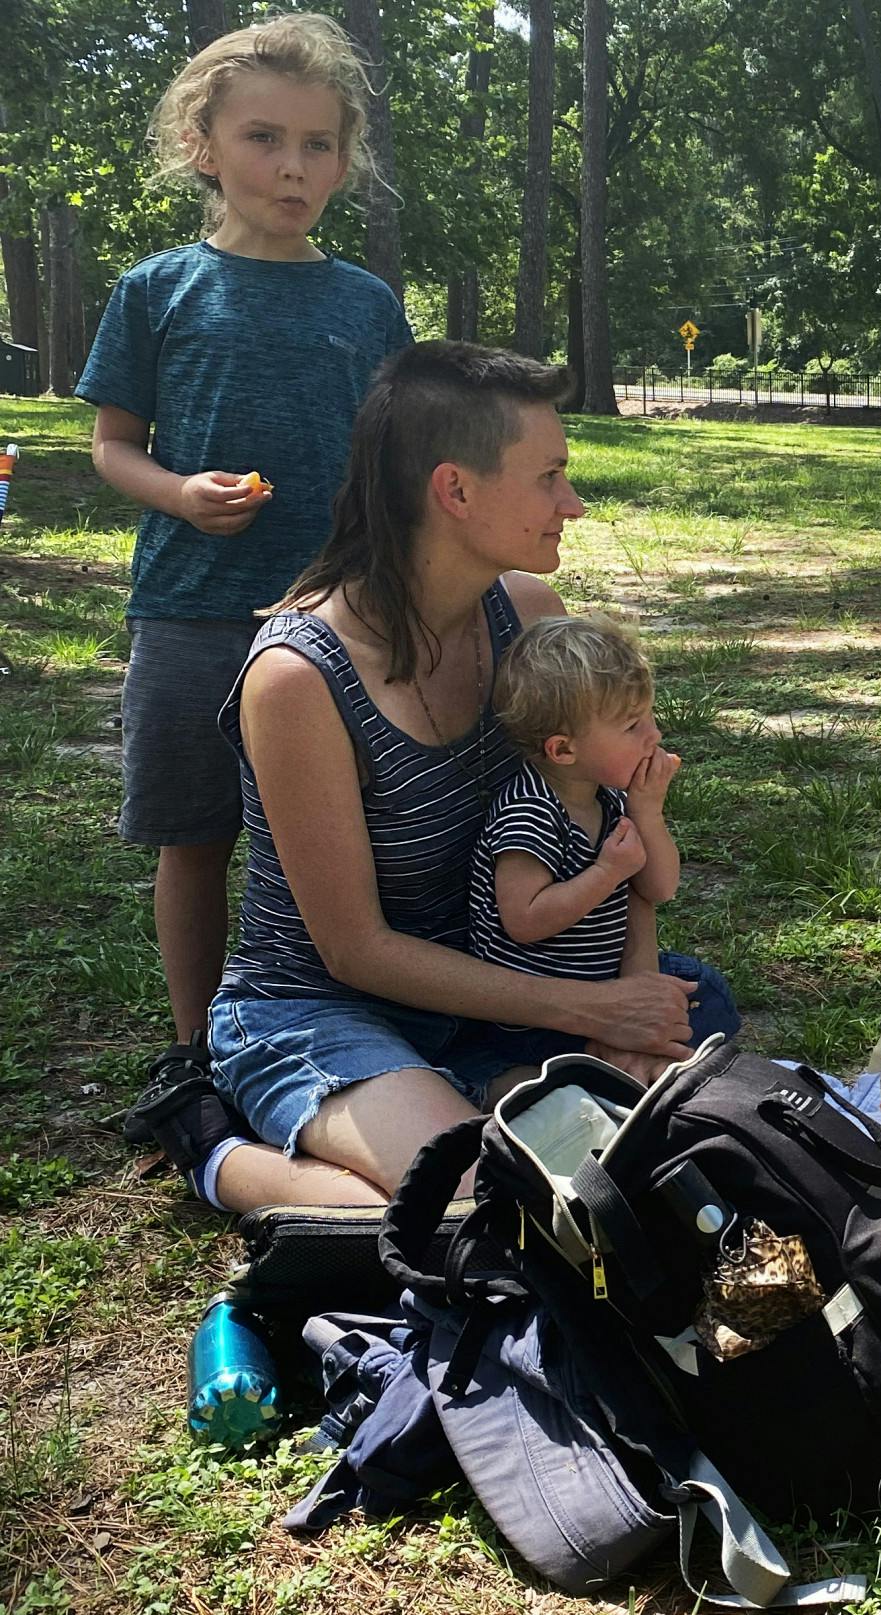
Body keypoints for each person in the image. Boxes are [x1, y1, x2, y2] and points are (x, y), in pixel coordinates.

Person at [186, 341, 721, 1212]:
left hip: (485, 988)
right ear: (455, 489)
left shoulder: (530, 617)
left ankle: (454, 1098)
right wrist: (588, 1011)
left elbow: (605, 833)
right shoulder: (299, 677)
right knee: (487, 1208)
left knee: (645, 1158)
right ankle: (212, 1142)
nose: (573, 505)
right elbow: (352, 949)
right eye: (549, 476)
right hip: (320, 1007)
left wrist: (615, 999)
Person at [75, 13, 412, 1185]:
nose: (294, 168)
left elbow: (394, 457)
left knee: (343, 838)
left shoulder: (367, 303)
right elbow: (114, 446)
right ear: (203, 144)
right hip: (191, 612)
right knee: (196, 835)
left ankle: (340, 1027)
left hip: (338, 624)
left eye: (320, 145)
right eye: (265, 138)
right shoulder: (158, 289)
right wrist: (176, 491)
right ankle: (191, 1052)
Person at [468, 614, 737, 1059]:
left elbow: (659, 888)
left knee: (706, 991)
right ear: (564, 750)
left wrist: (646, 813)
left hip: (606, 982)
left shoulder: (609, 798)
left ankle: (619, 1058)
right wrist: (607, 871)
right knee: (694, 1018)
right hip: (537, 1018)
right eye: (633, 726)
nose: (654, 735)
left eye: (649, 716)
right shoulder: (529, 812)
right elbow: (524, 920)